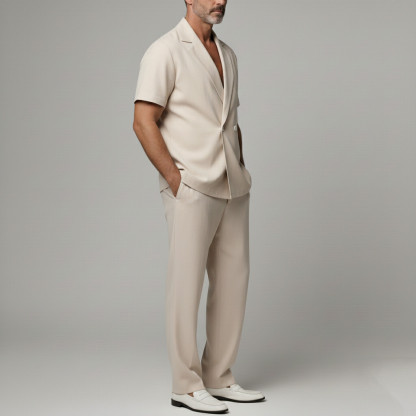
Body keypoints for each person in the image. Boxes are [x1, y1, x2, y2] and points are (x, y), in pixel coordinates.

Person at [132, 1, 265, 413]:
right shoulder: (164, 50)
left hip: (232, 183)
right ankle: (185, 386)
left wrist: (240, 165)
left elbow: (230, 120)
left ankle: (219, 376)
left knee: (232, 282)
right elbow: (143, 120)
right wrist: (175, 179)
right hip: (192, 184)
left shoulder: (228, 54)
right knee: (185, 285)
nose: (219, 0)